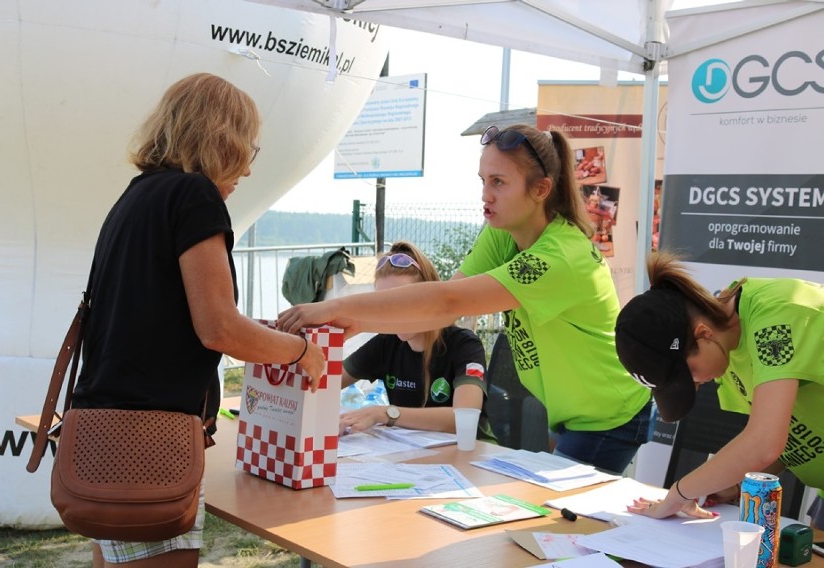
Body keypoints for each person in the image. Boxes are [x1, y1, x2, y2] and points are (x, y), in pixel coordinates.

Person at [279, 124, 653, 474]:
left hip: (607, 413)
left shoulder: (560, 257)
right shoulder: (505, 232)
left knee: (564, 528)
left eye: (499, 182)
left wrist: (340, 309)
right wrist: (361, 322)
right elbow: (435, 311)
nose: (485, 195)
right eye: (483, 180)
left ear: (540, 190)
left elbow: (447, 302)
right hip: (570, 410)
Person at [71, 73, 325, 568]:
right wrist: (300, 350)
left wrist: (244, 326)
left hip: (106, 428)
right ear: (221, 140)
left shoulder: (137, 195)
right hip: (151, 442)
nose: (248, 170)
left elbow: (164, 313)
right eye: (249, 149)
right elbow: (220, 330)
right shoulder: (194, 196)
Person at [615, 251, 823, 522]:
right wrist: (732, 485)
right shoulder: (729, 344)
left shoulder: (775, 319)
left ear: (704, 334)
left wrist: (680, 494)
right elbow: (792, 438)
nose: (697, 385)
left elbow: (765, 443)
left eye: (689, 374)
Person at [340, 241, 494, 440]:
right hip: (412, 456)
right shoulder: (386, 343)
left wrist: (384, 413)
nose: (393, 313)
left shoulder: (464, 345)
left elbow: (462, 418)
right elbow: (324, 382)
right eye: (383, 304)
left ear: (428, 297)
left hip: (471, 456)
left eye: (403, 301)